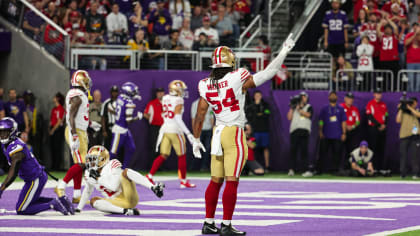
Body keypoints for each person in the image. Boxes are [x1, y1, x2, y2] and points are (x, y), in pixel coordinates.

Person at [192, 35, 295, 235]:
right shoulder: (237, 76)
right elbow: (268, 73)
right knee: (232, 180)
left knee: (215, 180)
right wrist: (283, 52)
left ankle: (208, 222)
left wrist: (196, 139)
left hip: (217, 133)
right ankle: (227, 225)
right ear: (230, 61)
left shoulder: (204, 84)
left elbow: (200, 114)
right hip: (233, 132)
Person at [0, 117, 74, 215]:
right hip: (35, 176)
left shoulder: (16, 148)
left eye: (5, 132)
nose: (2, 135)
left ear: (13, 131)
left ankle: (53, 204)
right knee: (29, 202)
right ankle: (61, 200)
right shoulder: (10, 144)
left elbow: (13, 172)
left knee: (22, 209)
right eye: (1, 132)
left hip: (35, 179)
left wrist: (2, 187)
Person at [75, 145, 165, 214]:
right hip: (115, 202)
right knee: (94, 201)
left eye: (94, 159)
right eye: (90, 159)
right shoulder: (89, 173)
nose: (91, 162)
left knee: (126, 172)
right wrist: (79, 208)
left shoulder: (112, 165)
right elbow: (87, 191)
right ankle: (126, 211)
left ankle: (153, 187)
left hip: (128, 196)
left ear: (102, 159)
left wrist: (98, 178)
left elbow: (113, 187)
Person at [147, 80, 199, 188]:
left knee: (163, 155)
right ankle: (183, 181)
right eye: (181, 89)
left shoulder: (165, 98)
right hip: (175, 130)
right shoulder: (179, 100)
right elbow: (177, 118)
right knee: (182, 155)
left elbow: (163, 113)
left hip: (165, 129)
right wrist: (188, 133)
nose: (182, 91)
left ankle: (150, 175)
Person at [55, 70, 93, 204]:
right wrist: (74, 134)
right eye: (86, 81)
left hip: (80, 130)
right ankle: (61, 185)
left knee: (80, 164)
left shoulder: (79, 94)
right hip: (75, 131)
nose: (88, 83)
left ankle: (77, 195)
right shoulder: (77, 95)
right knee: (82, 163)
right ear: (81, 81)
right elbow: (70, 115)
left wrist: (91, 123)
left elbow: (78, 114)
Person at [110, 82, 143, 169]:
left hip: (123, 129)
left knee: (131, 148)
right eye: (133, 92)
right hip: (120, 129)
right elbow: (128, 120)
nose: (135, 93)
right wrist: (138, 117)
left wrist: (118, 115)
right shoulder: (129, 103)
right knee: (113, 152)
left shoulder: (119, 98)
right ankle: (105, 171)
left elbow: (111, 108)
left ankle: (124, 169)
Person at [317, 91, 347, 174]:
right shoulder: (324, 108)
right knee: (322, 153)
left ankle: (335, 170)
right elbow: (321, 121)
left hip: (337, 135)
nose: (333, 96)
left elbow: (343, 121)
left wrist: (344, 133)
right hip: (326, 134)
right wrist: (320, 130)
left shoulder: (340, 108)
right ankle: (320, 170)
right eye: (331, 95)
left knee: (337, 154)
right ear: (328, 97)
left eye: (334, 95)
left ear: (337, 97)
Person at [287, 91, 313, 177]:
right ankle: (291, 169)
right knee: (293, 151)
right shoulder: (294, 107)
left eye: (304, 97)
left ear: (307, 98)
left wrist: (299, 109)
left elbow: (308, 115)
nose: (302, 98)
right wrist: (292, 107)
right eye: (301, 97)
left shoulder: (309, 107)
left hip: (304, 131)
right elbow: (289, 117)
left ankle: (305, 170)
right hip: (294, 130)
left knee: (304, 151)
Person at [246, 91, 271, 171]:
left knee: (265, 147)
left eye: (259, 95)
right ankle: (254, 167)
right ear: (254, 96)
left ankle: (267, 167)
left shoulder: (265, 105)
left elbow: (267, 113)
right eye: (256, 95)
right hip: (255, 130)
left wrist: (260, 114)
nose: (257, 97)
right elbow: (249, 116)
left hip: (264, 130)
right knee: (253, 148)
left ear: (261, 96)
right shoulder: (250, 106)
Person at [396, 96, 420, 178]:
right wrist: (401, 109)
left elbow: (418, 115)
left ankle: (415, 173)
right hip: (404, 135)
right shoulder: (403, 111)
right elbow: (398, 120)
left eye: (413, 102)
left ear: (416, 103)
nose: (411, 103)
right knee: (403, 155)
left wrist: (409, 108)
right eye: (410, 102)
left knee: (415, 156)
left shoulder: (417, 110)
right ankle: (403, 173)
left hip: (415, 136)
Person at [366, 88, 388, 172]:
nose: (379, 95)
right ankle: (372, 167)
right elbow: (369, 116)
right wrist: (378, 125)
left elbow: (386, 115)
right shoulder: (370, 104)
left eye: (380, 93)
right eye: (377, 93)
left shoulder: (383, 104)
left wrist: (384, 124)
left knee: (381, 148)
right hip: (373, 129)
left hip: (382, 129)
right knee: (373, 148)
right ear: (374, 94)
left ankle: (380, 167)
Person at [191, 97, 214, 171]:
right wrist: (195, 131)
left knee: (207, 149)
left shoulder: (210, 104)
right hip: (199, 130)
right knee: (196, 148)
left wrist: (212, 128)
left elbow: (211, 117)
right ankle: (193, 167)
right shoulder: (195, 104)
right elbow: (194, 118)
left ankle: (204, 167)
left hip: (208, 129)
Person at [144, 88, 165, 169]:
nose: (160, 94)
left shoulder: (167, 103)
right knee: (154, 146)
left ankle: (161, 167)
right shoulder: (152, 103)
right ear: (156, 94)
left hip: (164, 127)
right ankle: (153, 167)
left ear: (164, 93)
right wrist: (151, 119)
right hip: (155, 127)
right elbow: (145, 114)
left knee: (163, 147)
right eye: (158, 92)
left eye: (161, 92)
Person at [340, 92, 361, 169]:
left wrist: (352, 126)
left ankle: (350, 167)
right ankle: (341, 167)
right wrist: (345, 127)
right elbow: (338, 119)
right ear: (345, 99)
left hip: (353, 132)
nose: (350, 100)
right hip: (342, 131)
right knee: (341, 150)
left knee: (352, 150)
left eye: (351, 99)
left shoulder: (355, 109)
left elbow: (358, 121)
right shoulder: (341, 107)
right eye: (349, 98)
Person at [49, 93, 65, 171]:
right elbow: (52, 119)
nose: (53, 98)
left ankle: (57, 166)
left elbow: (59, 121)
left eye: (55, 97)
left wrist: (53, 130)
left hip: (57, 129)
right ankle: (53, 165)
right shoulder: (53, 109)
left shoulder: (60, 109)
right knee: (53, 148)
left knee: (57, 148)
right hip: (53, 128)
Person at [101, 85, 118, 150]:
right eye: (113, 92)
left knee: (118, 148)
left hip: (118, 129)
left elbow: (123, 116)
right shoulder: (106, 103)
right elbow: (103, 118)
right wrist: (104, 130)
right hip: (109, 129)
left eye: (116, 92)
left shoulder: (121, 103)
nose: (114, 93)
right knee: (107, 147)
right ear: (111, 93)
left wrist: (112, 111)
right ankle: (108, 160)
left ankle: (118, 160)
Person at [404, 23, 420, 92]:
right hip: (410, 62)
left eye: (417, 26)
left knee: (418, 83)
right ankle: (411, 97)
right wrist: (414, 34)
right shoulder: (409, 35)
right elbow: (406, 43)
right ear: (413, 28)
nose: (416, 28)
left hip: (419, 62)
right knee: (411, 82)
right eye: (415, 26)